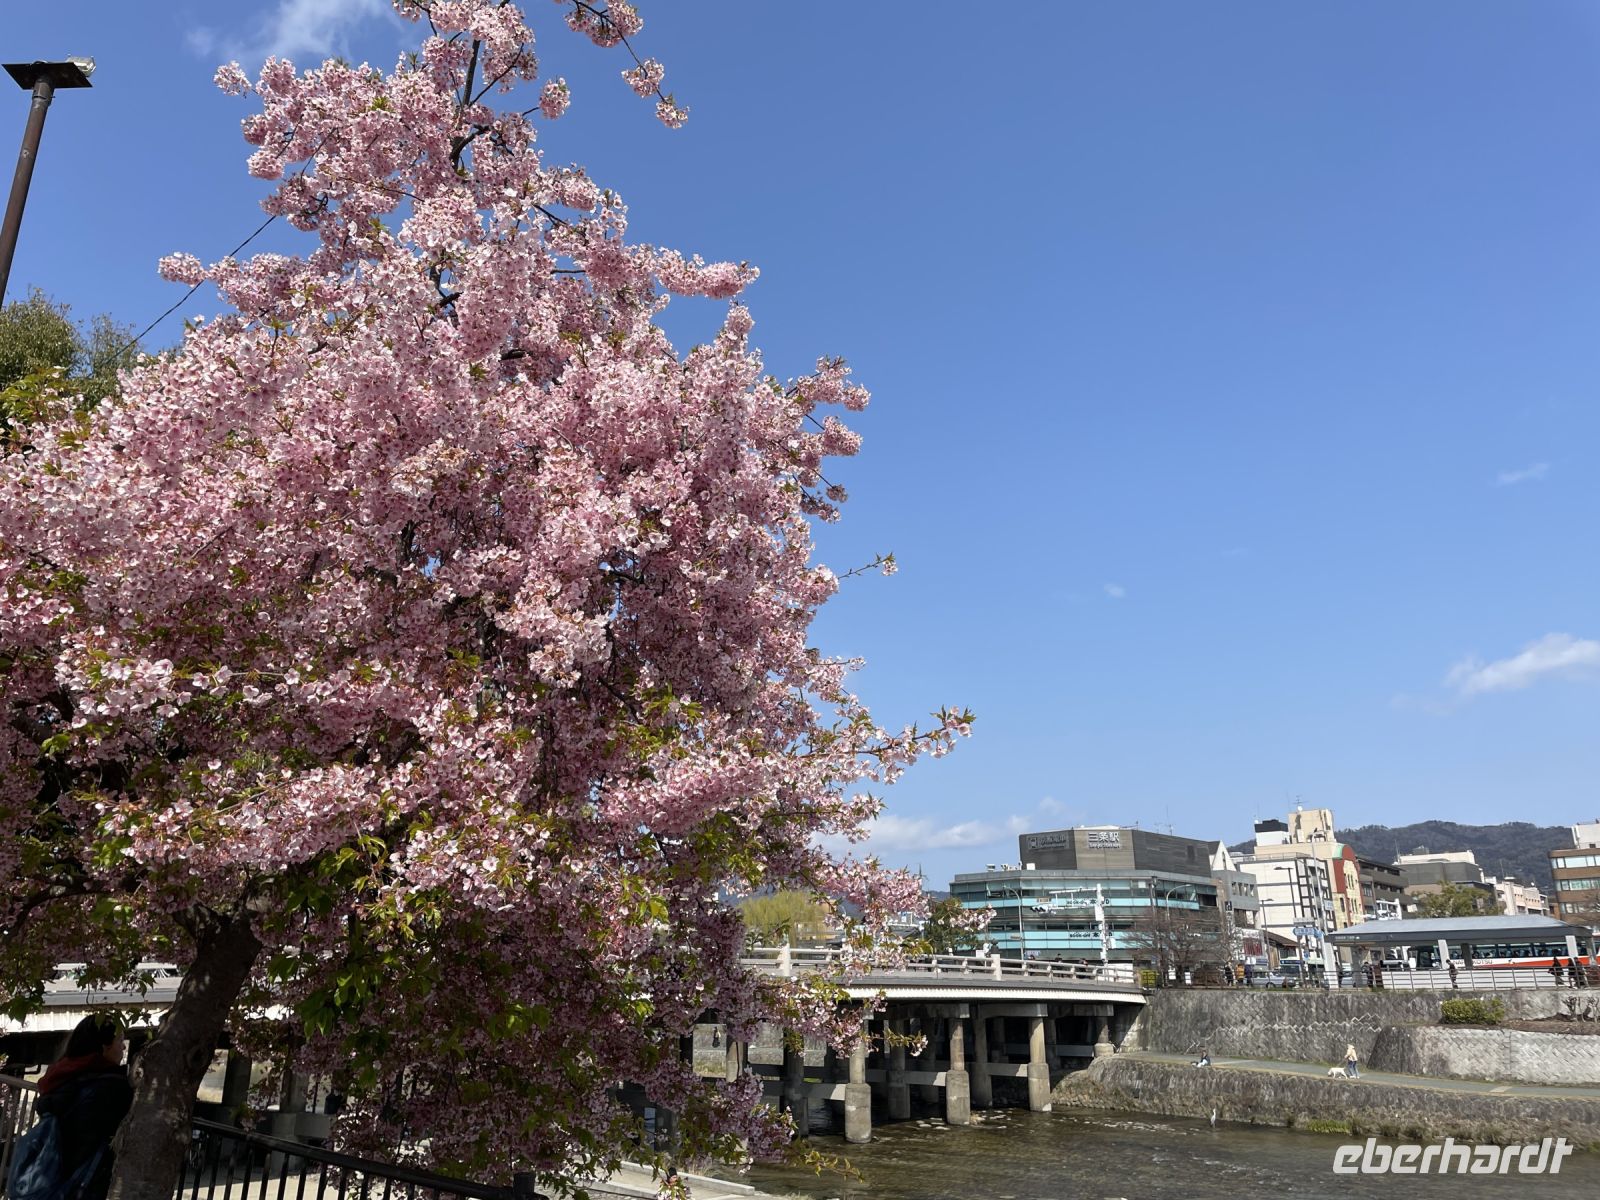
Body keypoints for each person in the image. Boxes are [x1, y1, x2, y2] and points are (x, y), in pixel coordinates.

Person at [34, 1014, 133, 1200]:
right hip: (88, 1180)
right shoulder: (111, 1087)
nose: (124, 1046)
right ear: (104, 1047)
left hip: (52, 1173)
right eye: (120, 1040)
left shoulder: (59, 1077)